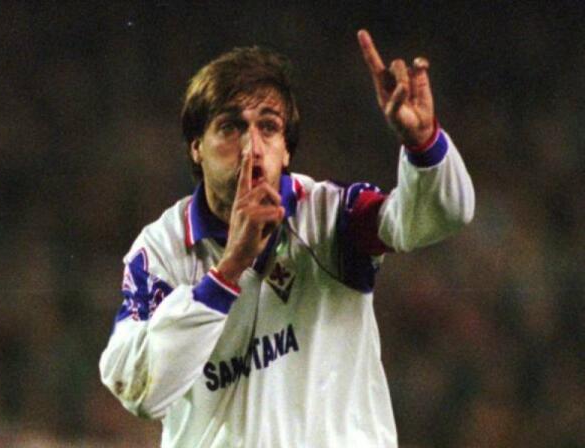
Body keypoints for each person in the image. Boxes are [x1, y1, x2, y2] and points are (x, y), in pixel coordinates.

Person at [99, 29, 475, 447]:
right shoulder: (160, 251)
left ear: (287, 149)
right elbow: (140, 391)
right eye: (230, 126)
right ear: (196, 148)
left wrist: (423, 144)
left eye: (268, 127)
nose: (251, 147)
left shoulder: (333, 216)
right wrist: (227, 273)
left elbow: (440, 216)